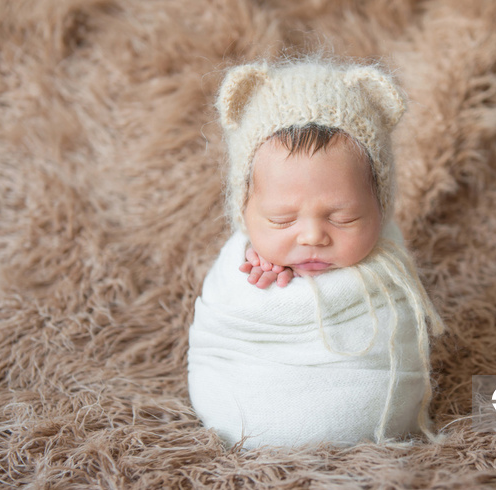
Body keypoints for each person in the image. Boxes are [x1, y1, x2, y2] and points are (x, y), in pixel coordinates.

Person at [188, 58, 445, 449]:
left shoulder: (388, 263)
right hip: (244, 394)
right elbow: (226, 324)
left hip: (364, 394)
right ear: (244, 212)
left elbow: (398, 332)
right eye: (280, 219)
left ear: (380, 207)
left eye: (343, 217)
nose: (311, 236)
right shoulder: (243, 261)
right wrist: (256, 278)